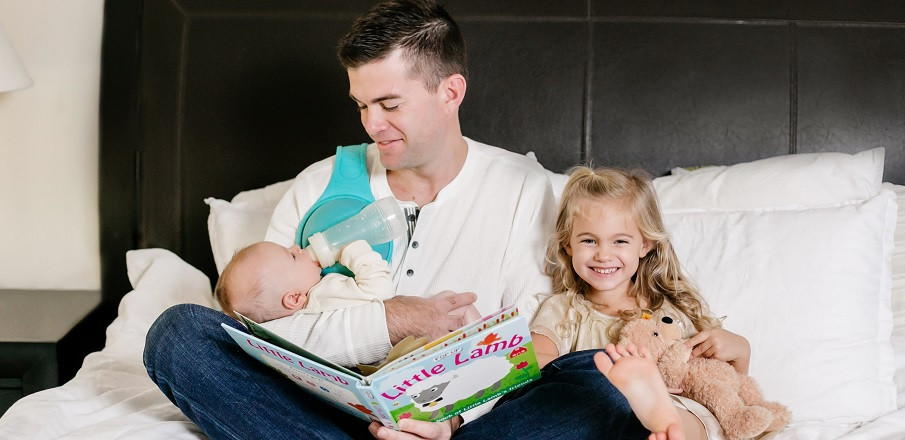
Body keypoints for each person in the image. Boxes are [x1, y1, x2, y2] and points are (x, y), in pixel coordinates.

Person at [144, 1, 651, 439]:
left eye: (389, 104)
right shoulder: (319, 186)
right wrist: (388, 321)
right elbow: (265, 341)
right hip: (323, 414)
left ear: (450, 92)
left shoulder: (525, 188)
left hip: (466, 424)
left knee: (598, 378)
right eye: (361, 105)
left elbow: (528, 340)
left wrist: (448, 420)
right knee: (178, 334)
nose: (371, 124)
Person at [530, 166, 752, 440]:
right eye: (589, 240)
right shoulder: (564, 310)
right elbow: (534, 361)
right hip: (606, 412)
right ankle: (653, 416)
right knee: (601, 408)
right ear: (568, 245)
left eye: (620, 241)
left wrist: (741, 353)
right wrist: (607, 376)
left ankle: (663, 420)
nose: (603, 255)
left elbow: (721, 384)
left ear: (644, 244)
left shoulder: (671, 311)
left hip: (676, 406)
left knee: (700, 416)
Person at [214, 240, 394, 322]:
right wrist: (357, 253)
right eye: (292, 256)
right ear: (294, 298)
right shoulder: (323, 297)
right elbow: (382, 293)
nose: (296, 247)